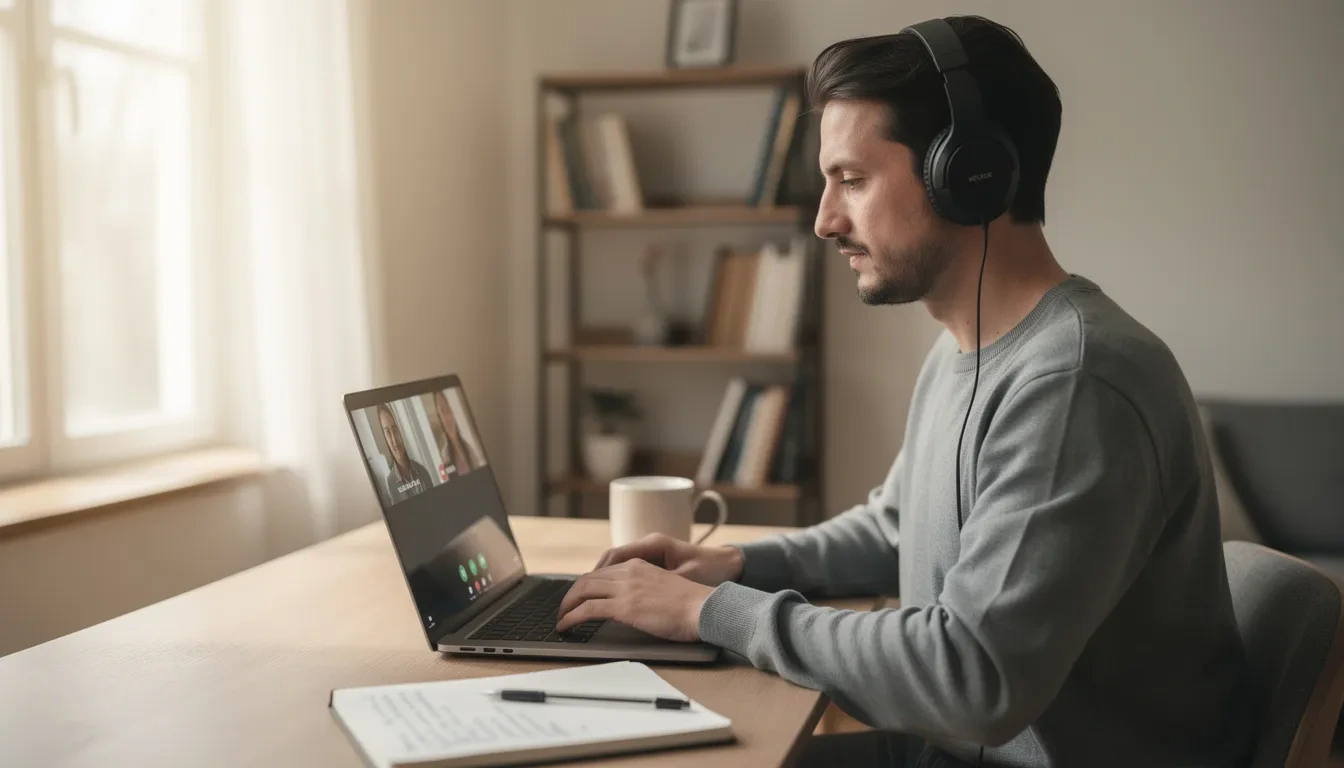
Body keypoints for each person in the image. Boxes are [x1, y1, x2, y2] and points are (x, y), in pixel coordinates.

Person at [556, 15, 1252, 768]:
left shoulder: (1076, 384)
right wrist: (738, 568)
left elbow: (973, 676)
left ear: (969, 175)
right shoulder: (966, 346)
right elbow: (897, 528)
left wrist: (710, 613)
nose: (825, 221)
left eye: (851, 180)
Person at [377, 403, 434, 504]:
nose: (394, 440)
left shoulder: (422, 471)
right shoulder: (391, 483)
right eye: (388, 432)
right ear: (384, 437)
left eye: (395, 430)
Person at [432, 389, 479, 478]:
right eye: (443, 411)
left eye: (448, 410)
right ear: (440, 418)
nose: (447, 416)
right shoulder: (443, 457)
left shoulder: (468, 446)